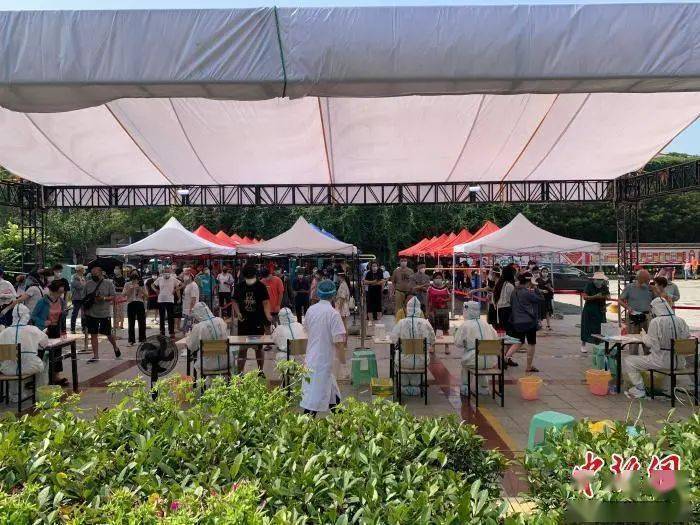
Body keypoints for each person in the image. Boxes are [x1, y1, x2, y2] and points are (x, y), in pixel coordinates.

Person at [623, 297, 691, 399]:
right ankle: (667, 388)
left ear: (656, 308)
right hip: (680, 362)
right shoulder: (681, 320)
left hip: (661, 361)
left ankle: (639, 388)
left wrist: (644, 335)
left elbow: (650, 343)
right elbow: (686, 337)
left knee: (629, 360)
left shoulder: (656, 322)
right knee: (665, 359)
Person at [300, 279, 347, 415]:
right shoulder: (333, 314)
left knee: (328, 394)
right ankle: (306, 425)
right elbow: (339, 342)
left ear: (318, 294)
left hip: (311, 358)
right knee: (314, 400)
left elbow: (306, 330)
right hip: (324, 361)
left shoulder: (311, 310)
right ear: (333, 295)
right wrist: (343, 364)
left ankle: (341, 421)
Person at [0, 304, 49, 401]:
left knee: (14, 360)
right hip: (30, 367)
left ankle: (15, 395)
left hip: (8, 370)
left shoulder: (5, 332)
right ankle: (40, 395)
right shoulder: (32, 329)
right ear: (26, 316)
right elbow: (44, 344)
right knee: (44, 361)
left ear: (13, 316)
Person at [389, 296, 435, 396]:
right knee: (417, 370)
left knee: (399, 359)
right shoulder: (425, 323)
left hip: (403, 362)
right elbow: (432, 339)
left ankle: (404, 387)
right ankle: (416, 387)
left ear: (407, 308)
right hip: (421, 362)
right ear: (419, 309)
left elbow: (393, 339)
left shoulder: (401, 323)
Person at [232, 265, 272, 375]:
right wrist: (238, 312)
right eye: (248, 277)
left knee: (258, 348)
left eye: (252, 277)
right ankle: (240, 373)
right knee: (242, 349)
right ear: (244, 277)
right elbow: (234, 301)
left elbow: (265, 302)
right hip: (243, 322)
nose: (250, 279)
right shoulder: (239, 286)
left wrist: (268, 315)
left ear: (255, 276)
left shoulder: (261, 286)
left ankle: (260, 371)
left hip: (257, 321)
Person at [455, 301, 498, 396]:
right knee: (480, 362)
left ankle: (465, 387)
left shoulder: (465, 325)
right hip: (491, 360)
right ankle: (484, 387)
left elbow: (458, 343)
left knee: (466, 363)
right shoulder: (487, 325)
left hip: (474, 360)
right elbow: (496, 339)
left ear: (466, 311)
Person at [504, 273, 543, 372]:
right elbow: (540, 299)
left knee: (519, 342)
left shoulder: (514, 291)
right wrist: (536, 287)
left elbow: (511, 304)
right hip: (529, 321)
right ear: (529, 282)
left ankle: (505, 357)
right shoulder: (527, 293)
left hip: (517, 321)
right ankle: (528, 366)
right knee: (531, 343)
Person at [30, 280, 67, 385]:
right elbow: (33, 316)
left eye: (62, 292)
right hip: (44, 330)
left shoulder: (61, 301)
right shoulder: (42, 302)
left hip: (56, 329)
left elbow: (62, 317)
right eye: (58, 292)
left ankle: (56, 377)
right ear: (52, 291)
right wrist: (43, 322)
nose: (60, 295)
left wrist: (63, 331)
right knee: (41, 353)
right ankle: (35, 378)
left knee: (57, 352)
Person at [84, 265, 121, 363]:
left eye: (95, 274)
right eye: (92, 274)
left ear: (101, 273)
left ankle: (115, 347)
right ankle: (96, 356)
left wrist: (103, 298)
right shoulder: (88, 284)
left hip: (104, 313)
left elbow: (113, 296)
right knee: (93, 334)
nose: (93, 276)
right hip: (91, 313)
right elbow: (84, 298)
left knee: (108, 333)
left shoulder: (108, 283)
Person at [186, 301, 235, 376]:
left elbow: (191, 346)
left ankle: (200, 382)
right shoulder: (221, 321)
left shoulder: (198, 327)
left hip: (207, 366)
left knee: (197, 358)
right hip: (226, 363)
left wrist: (188, 336)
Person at [619, 269, 655, 356]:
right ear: (640, 279)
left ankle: (648, 357)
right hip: (633, 316)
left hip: (646, 316)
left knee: (647, 339)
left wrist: (655, 290)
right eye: (646, 279)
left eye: (648, 279)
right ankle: (633, 357)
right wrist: (627, 307)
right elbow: (620, 300)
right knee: (633, 339)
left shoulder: (650, 288)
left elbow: (659, 299)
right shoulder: (629, 287)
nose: (648, 281)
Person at [580, 272, 611, 354]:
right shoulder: (589, 285)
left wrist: (605, 297)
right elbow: (585, 297)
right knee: (586, 327)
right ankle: (583, 344)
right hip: (589, 309)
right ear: (594, 279)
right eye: (598, 279)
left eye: (601, 280)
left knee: (600, 328)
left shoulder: (604, 286)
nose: (600, 281)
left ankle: (598, 345)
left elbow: (608, 296)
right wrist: (595, 296)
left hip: (600, 310)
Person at [153, 266, 181, 338]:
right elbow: (152, 285)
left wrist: (175, 290)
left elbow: (182, 284)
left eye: (168, 271)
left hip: (170, 300)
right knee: (162, 316)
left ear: (170, 272)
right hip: (161, 300)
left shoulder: (173, 279)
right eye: (165, 271)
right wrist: (156, 290)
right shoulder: (159, 279)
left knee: (170, 316)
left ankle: (171, 332)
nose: (166, 273)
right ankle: (162, 331)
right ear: (163, 272)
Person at [123, 270, 148, 346]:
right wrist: (130, 289)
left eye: (136, 274)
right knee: (131, 322)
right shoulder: (127, 284)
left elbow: (146, 295)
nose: (134, 276)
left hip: (140, 303)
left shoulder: (141, 284)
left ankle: (142, 339)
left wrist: (140, 288)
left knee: (142, 322)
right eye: (133, 274)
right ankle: (131, 340)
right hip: (131, 303)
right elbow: (123, 294)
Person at [492, 265, 516, 336]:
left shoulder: (501, 283)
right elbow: (510, 300)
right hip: (507, 309)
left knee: (504, 330)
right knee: (509, 330)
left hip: (500, 309)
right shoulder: (509, 285)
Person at [69, 265, 87, 333]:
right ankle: (72, 329)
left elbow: (85, 286)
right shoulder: (74, 277)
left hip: (83, 297)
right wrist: (84, 285)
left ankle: (84, 328)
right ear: (79, 270)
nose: (84, 270)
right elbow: (78, 286)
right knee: (75, 313)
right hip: (76, 298)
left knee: (84, 314)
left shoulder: (83, 277)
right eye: (82, 269)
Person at [112, 266, 126, 331]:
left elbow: (124, 288)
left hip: (120, 295)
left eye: (117, 269)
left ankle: (121, 324)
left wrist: (116, 287)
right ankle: (116, 324)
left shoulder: (123, 278)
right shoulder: (114, 278)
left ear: (120, 270)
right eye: (115, 268)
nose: (115, 270)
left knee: (121, 310)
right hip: (115, 294)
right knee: (115, 310)